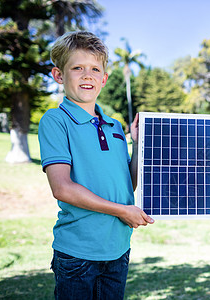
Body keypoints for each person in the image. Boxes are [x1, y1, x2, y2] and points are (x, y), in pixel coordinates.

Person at [38, 31, 154, 300]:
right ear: (59, 75)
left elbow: (129, 181)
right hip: (78, 253)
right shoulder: (55, 121)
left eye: (94, 69)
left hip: (118, 249)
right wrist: (122, 211)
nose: (87, 75)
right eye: (77, 68)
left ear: (104, 78)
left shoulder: (113, 125)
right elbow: (62, 188)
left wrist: (137, 144)